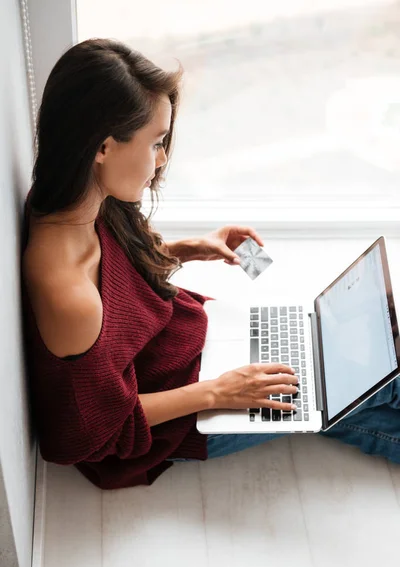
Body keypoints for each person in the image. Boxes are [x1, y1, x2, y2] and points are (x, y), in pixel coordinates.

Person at [21, 38, 400, 490]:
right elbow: (92, 437)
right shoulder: (68, 295)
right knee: (368, 385)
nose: (160, 160)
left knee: (366, 362)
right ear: (102, 146)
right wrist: (221, 391)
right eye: (156, 143)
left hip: (198, 342)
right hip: (184, 414)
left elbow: (115, 291)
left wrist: (188, 249)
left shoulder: (76, 200)